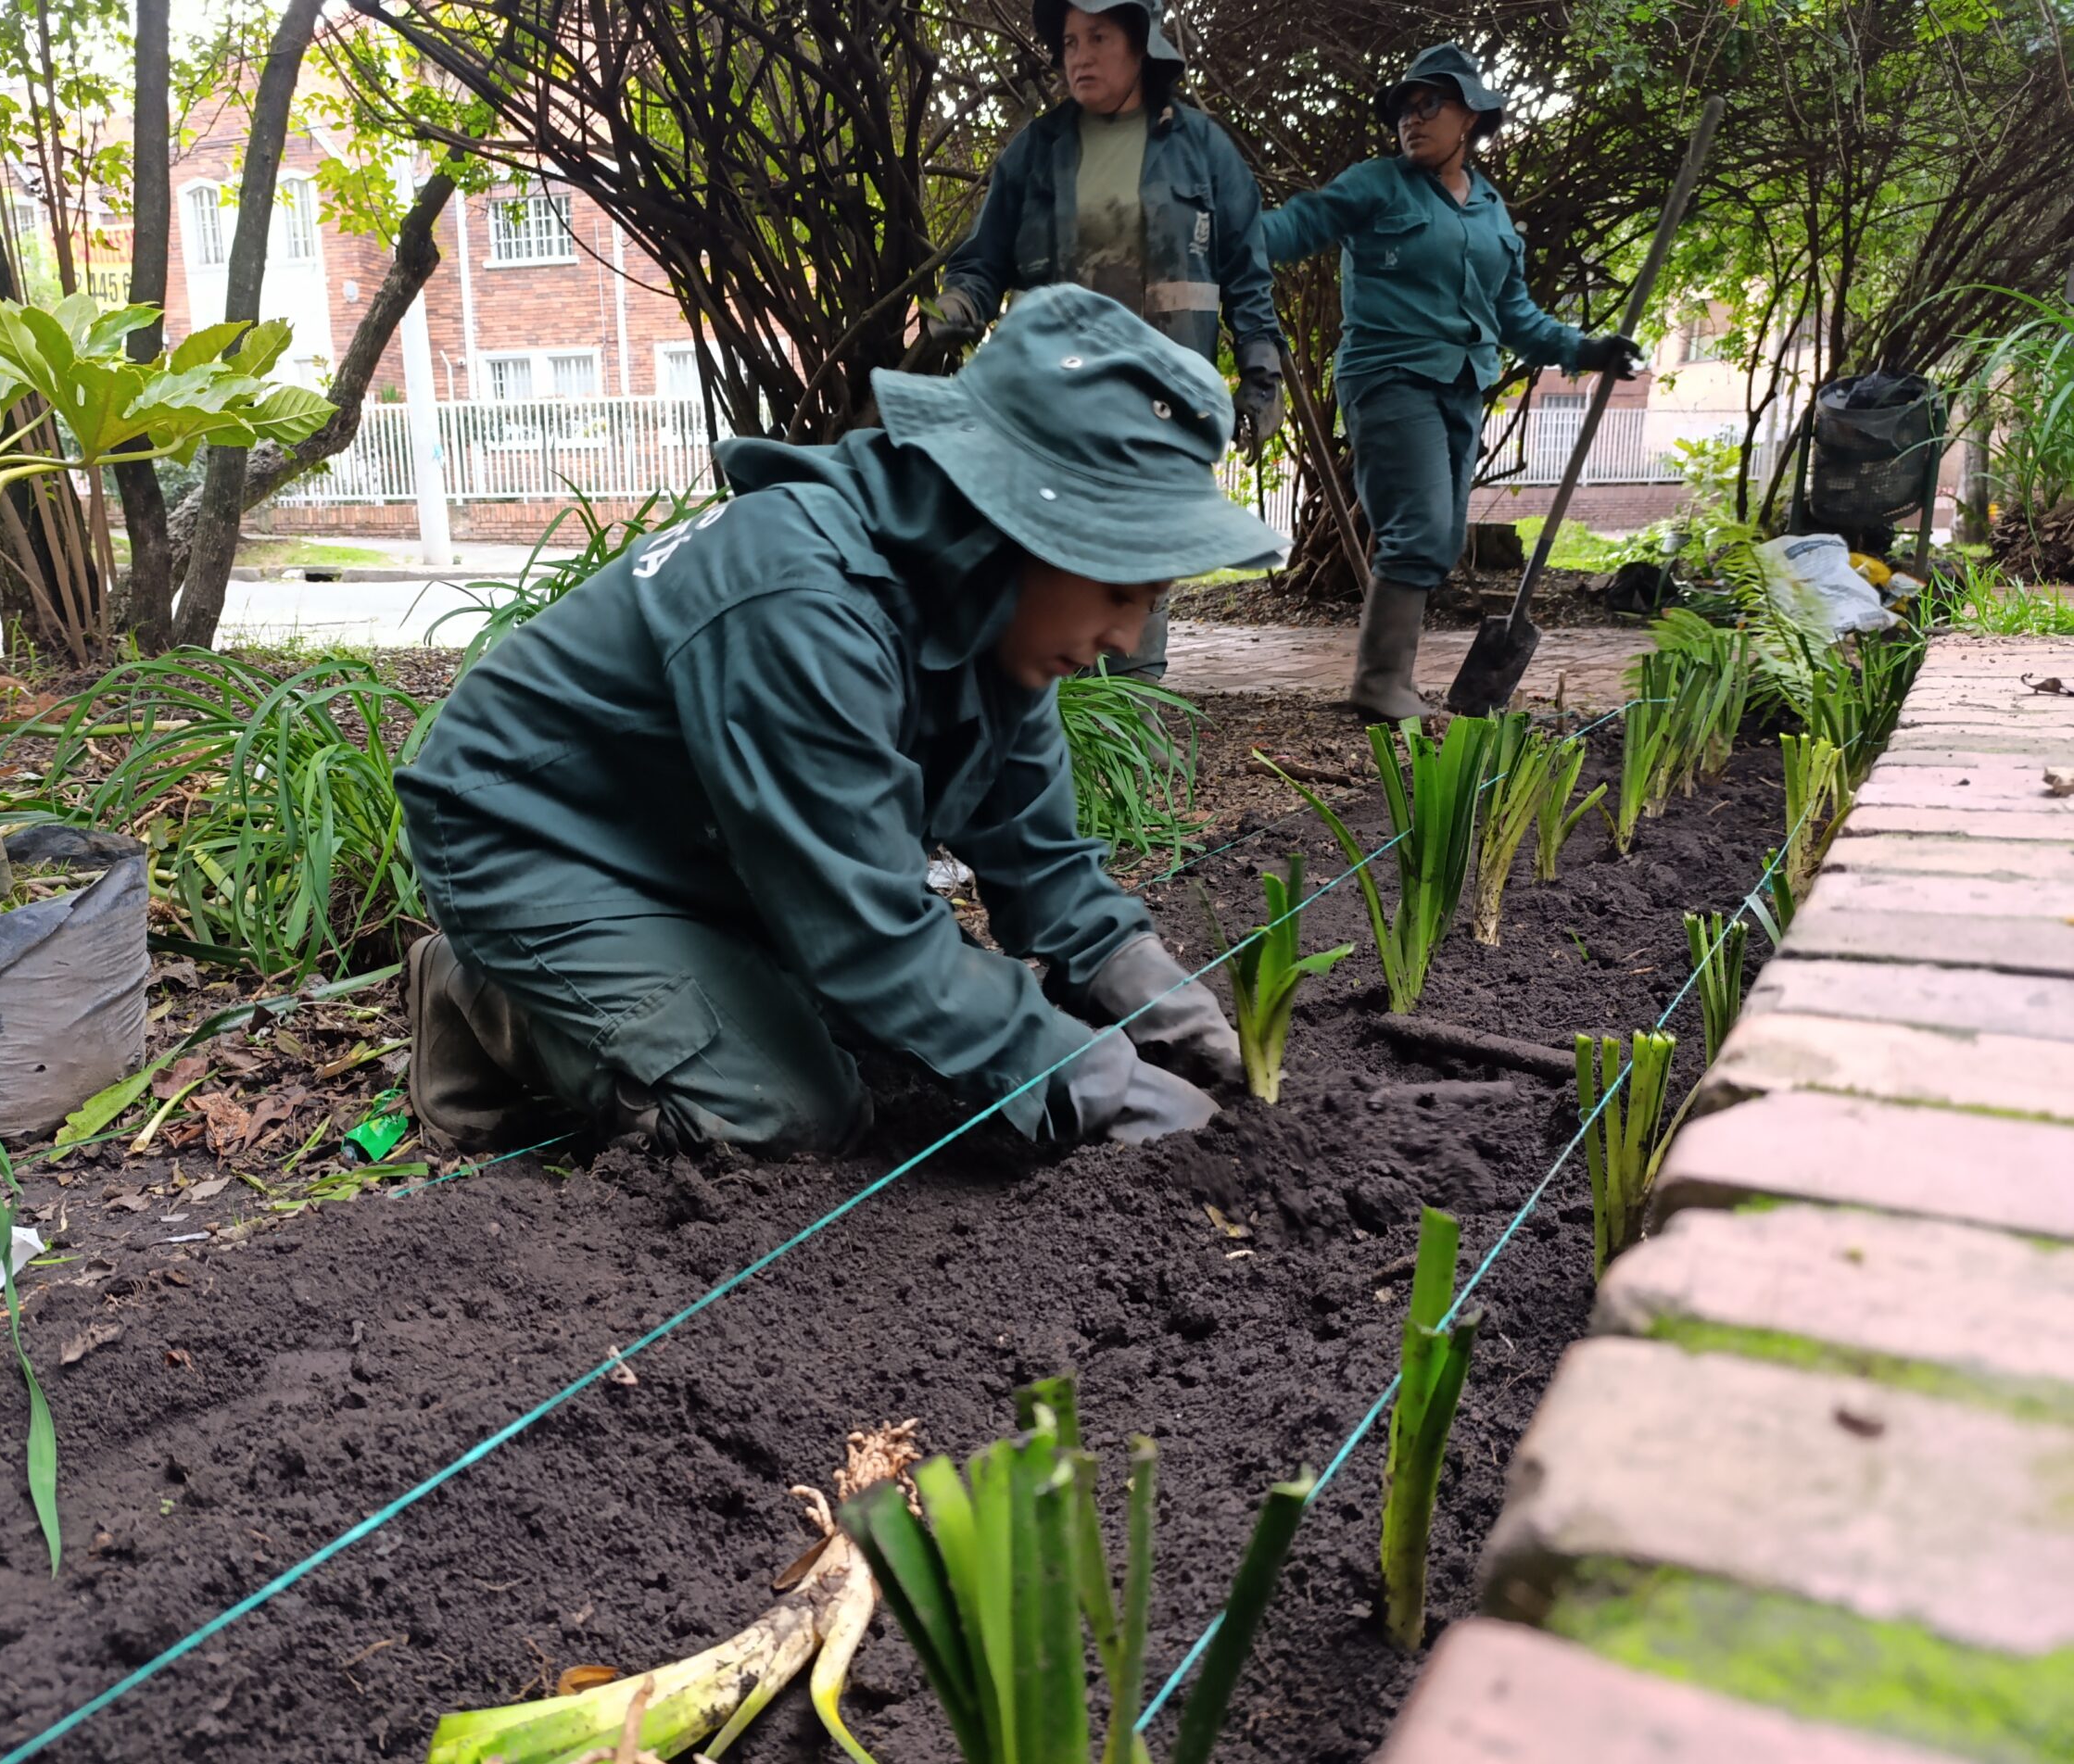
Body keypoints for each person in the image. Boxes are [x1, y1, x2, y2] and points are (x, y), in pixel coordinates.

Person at [395, 285, 1283, 1160]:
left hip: (703, 842)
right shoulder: (804, 604)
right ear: (1016, 524)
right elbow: (867, 937)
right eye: (1118, 589)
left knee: (893, 1041)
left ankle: (674, 973)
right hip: (531, 837)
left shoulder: (990, 618)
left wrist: (1160, 1004)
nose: (1124, 637)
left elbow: (1040, 860)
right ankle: (483, 997)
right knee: (784, 1114)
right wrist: (1098, 1086)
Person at [1260, 43, 1644, 719]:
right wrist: (1219, 234)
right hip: (1389, 375)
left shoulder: (1490, 209)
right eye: (1405, 107)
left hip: (1461, 383)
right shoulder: (1376, 183)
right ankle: (1380, 686)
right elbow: (1295, 227)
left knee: (1436, 537)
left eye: (1429, 103)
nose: (1413, 118)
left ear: (1470, 116)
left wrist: (1589, 349)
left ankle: (1390, 682)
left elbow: (1516, 316)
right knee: (1421, 529)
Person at [931, 0, 1284, 681]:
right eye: (1069, 42)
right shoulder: (1037, 150)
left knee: (1138, 570)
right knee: (1049, 566)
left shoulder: (1204, 149)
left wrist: (1260, 376)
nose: (1079, 56)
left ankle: (1131, 740)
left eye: (1097, 38)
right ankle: (1046, 729)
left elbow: (1247, 274)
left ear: (1141, 47)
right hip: (1055, 400)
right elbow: (981, 263)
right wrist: (956, 306)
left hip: (1161, 404)